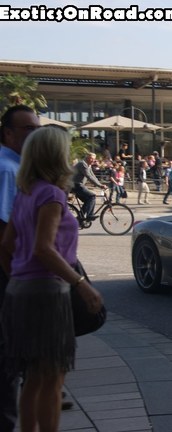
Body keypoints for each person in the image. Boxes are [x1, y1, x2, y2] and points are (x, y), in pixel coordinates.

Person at [0, 126, 103, 432]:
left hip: (21, 291)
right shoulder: (51, 194)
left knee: (33, 378)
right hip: (47, 294)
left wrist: (19, 277)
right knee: (52, 378)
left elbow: (6, 246)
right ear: (56, 155)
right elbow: (44, 248)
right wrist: (81, 284)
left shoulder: (26, 191)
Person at [0, 105, 40, 432]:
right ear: (8, 134)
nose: (33, 134)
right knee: (8, 358)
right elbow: (6, 235)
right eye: (27, 129)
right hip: (11, 279)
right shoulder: (7, 170)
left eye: (35, 128)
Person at [71, 153, 108, 220]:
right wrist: (100, 185)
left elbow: (93, 176)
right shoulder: (82, 164)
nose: (93, 160)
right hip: (75, 185)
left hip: (79, 185)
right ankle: (89, 215)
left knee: (88, 201)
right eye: (91, 158)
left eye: (94, 159)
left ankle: (79, 218)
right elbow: (89, 176)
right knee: (92, 196)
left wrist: (100, 184)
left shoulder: (89, 165)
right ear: (87, 157)